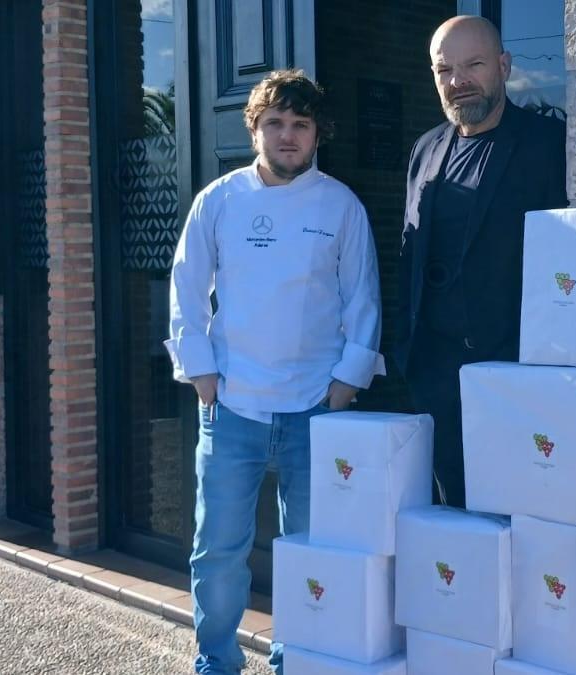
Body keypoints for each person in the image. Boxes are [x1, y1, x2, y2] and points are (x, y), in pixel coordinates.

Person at [164, 68, 385, 675]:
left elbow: (361, 299)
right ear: (254, 128)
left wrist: (345, 386)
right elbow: (186, 290)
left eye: (301, 124)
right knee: (218, 550)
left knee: (310, 552)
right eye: (276, 123)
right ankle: (216, 660)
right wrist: (202, 374)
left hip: (316, 407)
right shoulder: (220, 200)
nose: (288, 135)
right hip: (233, 404)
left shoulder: (340, 206)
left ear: (318, 134)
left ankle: (298, 657)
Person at [397, 15, 568, 508]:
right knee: (450, 520)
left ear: (504, 66)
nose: (458, 80)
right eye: (444, 69)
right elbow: (409, 253)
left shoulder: (548, 144)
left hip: (514, 370)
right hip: (435, 376)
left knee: (520, 510)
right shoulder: (425, 149)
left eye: (473, 64)